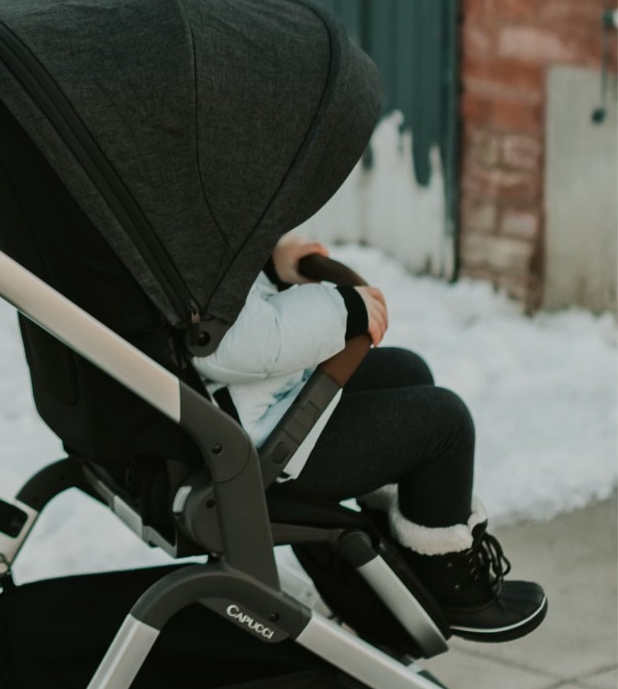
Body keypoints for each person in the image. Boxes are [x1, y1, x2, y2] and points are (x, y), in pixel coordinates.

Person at [192, 228, 548, 642]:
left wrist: (270, 272)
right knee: (444, 423)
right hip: (250, 444)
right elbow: (222, 341)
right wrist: (343, 309)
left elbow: (221, 301)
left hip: (245, 407)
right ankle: (448, 579)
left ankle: (396, 562)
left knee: (406, 372)